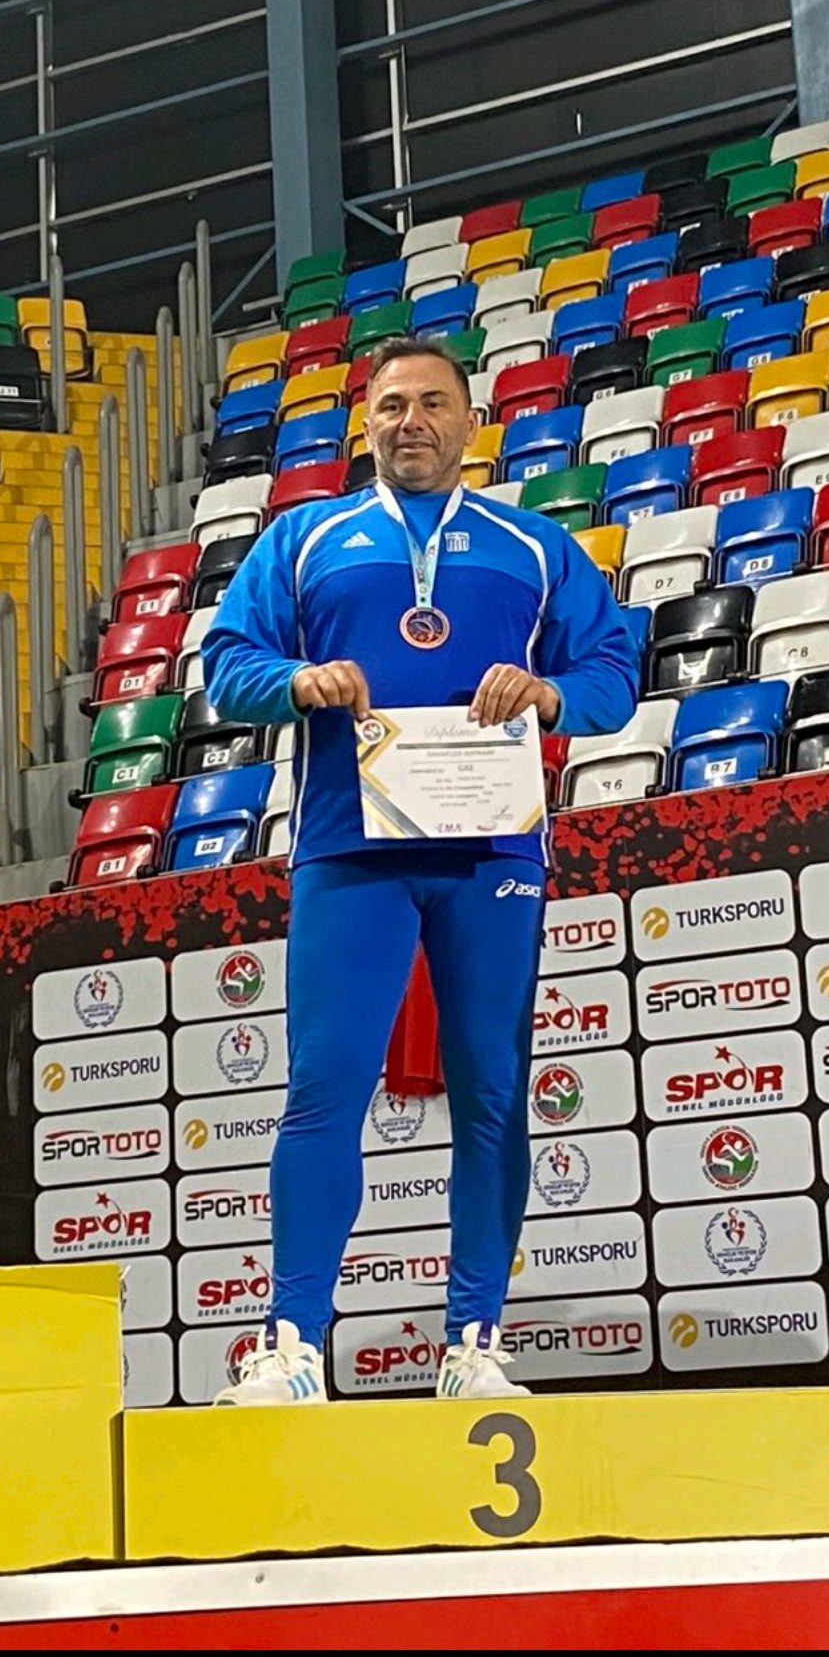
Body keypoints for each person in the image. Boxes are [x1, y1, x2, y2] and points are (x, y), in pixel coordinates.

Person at [201, 335, 640, 1404]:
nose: (412, 421)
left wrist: (548, 696)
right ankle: (293, 1348)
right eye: (392, 404)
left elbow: (613, 672)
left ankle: (474, 1345)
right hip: (351, 850)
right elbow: (226, 664)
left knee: (492, 1092)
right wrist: (298, 681)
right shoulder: (305, 539)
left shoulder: (534, 545)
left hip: (492, 852)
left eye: (433, 403)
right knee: (325, 1087)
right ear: (366, 424)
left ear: (470, 421)